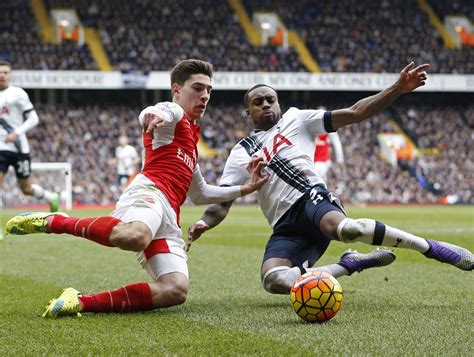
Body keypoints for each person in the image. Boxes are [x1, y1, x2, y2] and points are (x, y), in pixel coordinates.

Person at [6, 59, 269, 317]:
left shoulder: (191, 138)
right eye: (198, 88)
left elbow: (200, 194)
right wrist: (154, 113)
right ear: (177, 90)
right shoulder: (172, 115)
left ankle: (80, 301)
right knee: (134, 236)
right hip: (150, 193)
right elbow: (158, 111)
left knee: (175, 290)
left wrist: (246, 189)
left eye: (209, 90)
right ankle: (55, 222)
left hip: (169, 216)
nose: (205, 95)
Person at [187, 62, 473, 297]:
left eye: (270, 100)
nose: (265, 105)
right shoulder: (241, 151)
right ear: (248, 112)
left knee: (346, 229)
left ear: (279, 103)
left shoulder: (298, 119)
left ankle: (429, 247)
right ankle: (348, 265)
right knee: (273, 281)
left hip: (311, 198)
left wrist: (397, 88)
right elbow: (223, 200)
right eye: (257, 102)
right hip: (285, 225)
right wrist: (204, 223)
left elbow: (356, 113)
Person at [0, 61, 59, 212]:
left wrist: (16, 133)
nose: (2, 75)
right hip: (0, 148)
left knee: (25, 188)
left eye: (5, 72)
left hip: (19, 148)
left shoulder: (18, 93)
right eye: (0, 72)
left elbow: (34, 119)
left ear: (10, 75)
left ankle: (50, 197)